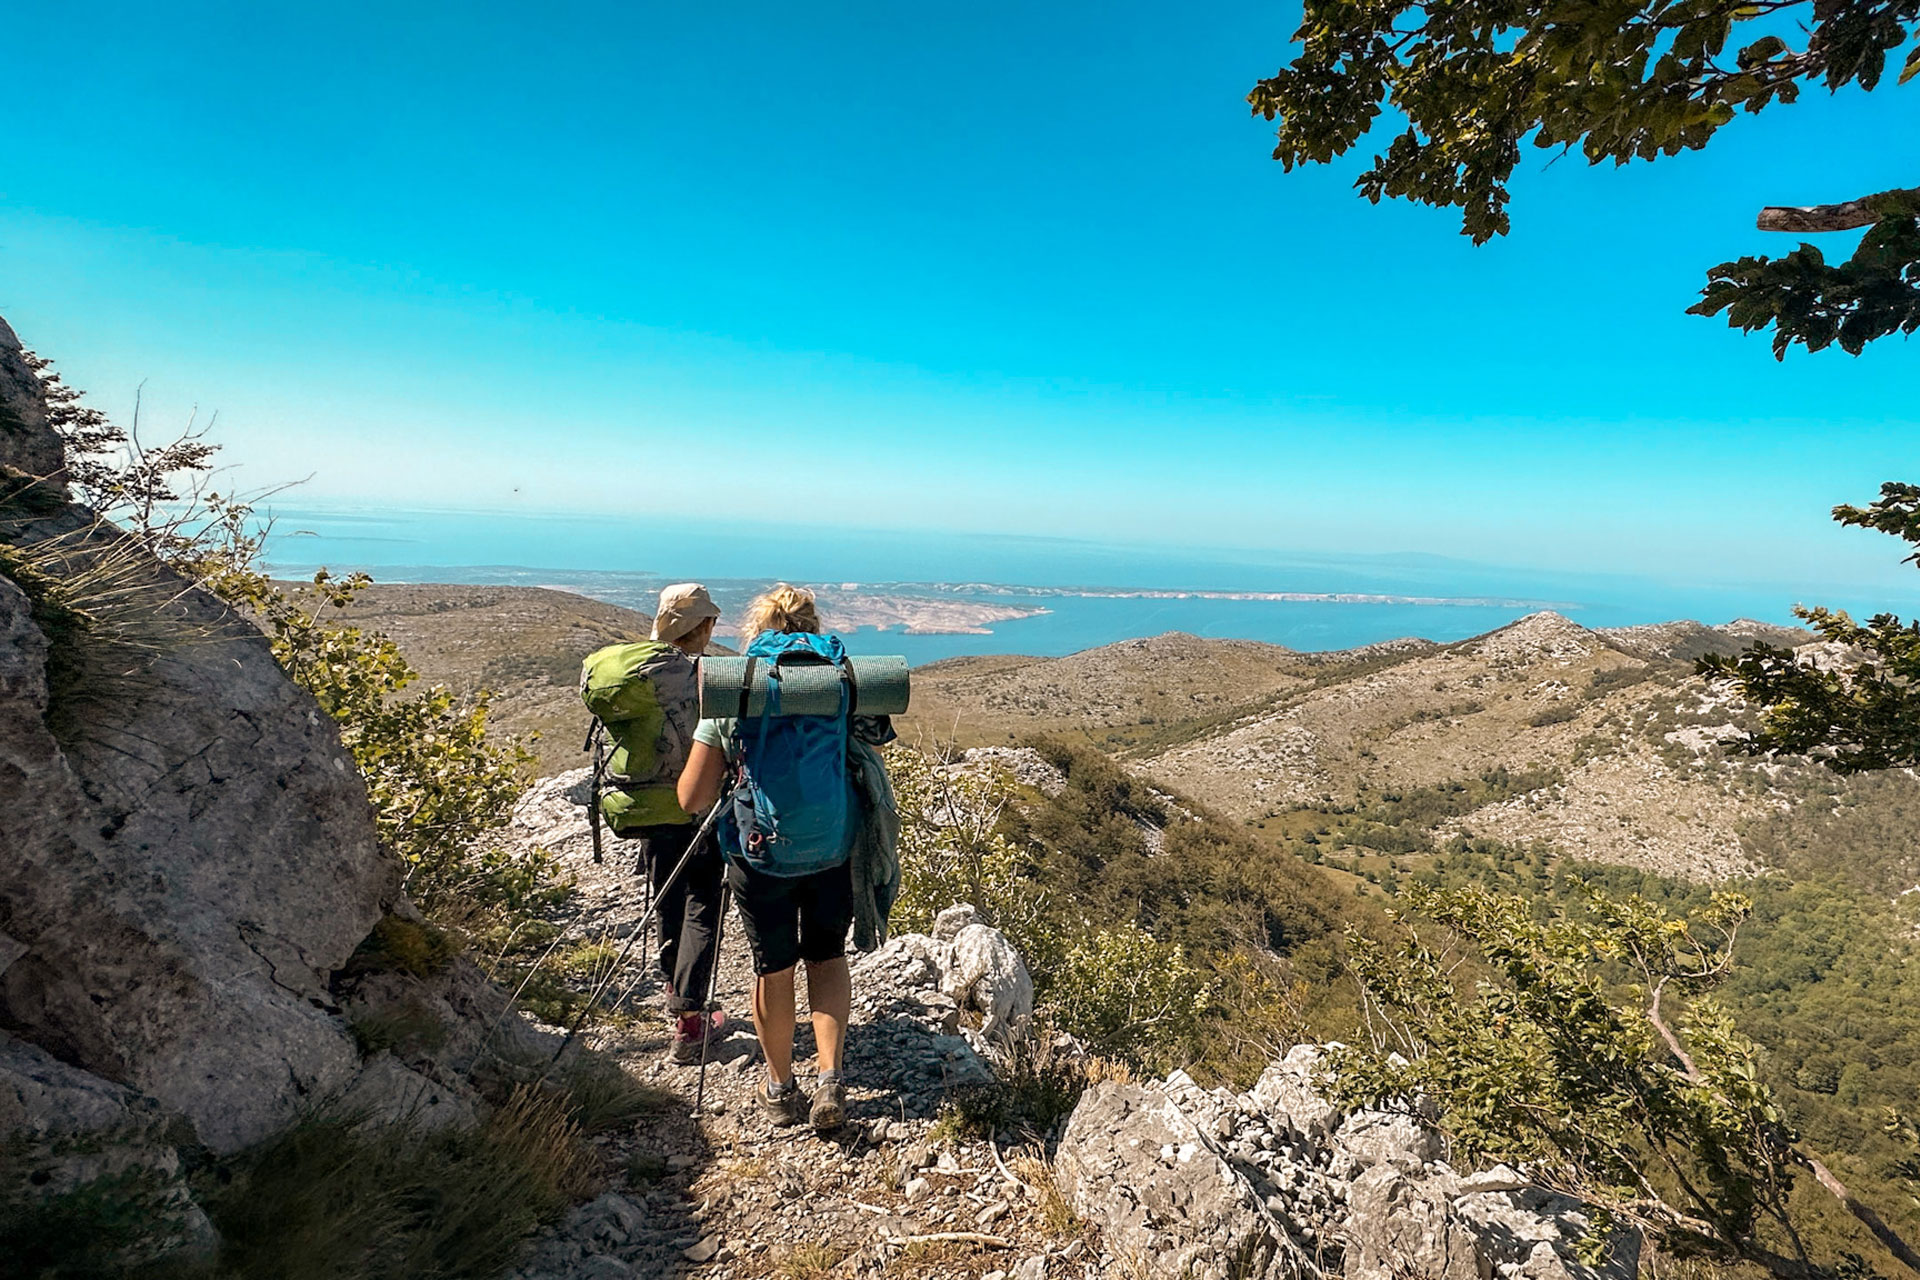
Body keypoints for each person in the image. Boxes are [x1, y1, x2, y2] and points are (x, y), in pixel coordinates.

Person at [678, 584, 854, 1133]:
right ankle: (830, 1079)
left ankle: (780, 1090)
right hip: (831, 848)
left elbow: (692, 797)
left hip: (761, 856)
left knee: (772, 968)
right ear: (813, 625)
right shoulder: (838, 685)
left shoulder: (738, 690)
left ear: (757, 630)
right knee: (826, 956)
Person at [638, 582, 727, 1064]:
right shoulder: (701, 675)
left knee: (666, 901)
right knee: (701, 906)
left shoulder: (638, 671)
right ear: (703, 627)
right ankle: (691, 1022)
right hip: (696, 805)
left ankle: (677, 996)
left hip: (648, 805)